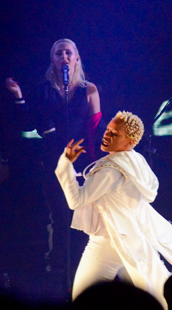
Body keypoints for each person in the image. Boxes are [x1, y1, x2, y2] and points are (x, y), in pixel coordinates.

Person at [56, 111, 172, 310]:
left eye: (115, 134)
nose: (107, 135)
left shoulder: (111, 170)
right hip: (131, 240)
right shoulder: (135, 160)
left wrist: (65, 165)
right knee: (149, 298)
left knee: (82, 299)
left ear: (129, 142)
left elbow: (76, 200)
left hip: (108, 243)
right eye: (108, 130)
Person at [6, 39, 101, 274]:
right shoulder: (44, 90)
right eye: (59, 53)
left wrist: (99, 161)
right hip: (52, 161)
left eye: (69, 52)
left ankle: (84, 268)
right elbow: (29, 123)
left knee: (83, 215)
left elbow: (95, 128)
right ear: (53, 60)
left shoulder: (88, 89)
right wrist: (18, 96)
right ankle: (59, 268)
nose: (64, 57)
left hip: (83, 162)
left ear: (76, 57)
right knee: (59, 216)